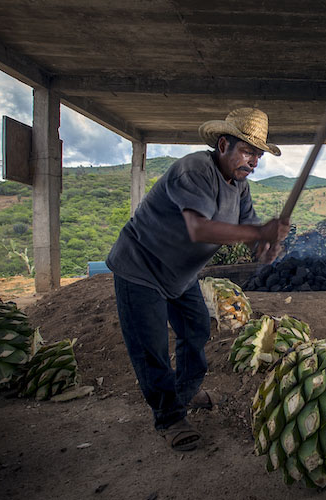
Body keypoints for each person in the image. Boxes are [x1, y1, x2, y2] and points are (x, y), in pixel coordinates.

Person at [106, 107, 289, 451]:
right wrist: (258, 230)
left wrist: (265, 248)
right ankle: (169, 417)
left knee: (196, 329)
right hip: (141, 267)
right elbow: (198, 229)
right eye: (248, 151)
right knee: (152, 347)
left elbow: (250, 235)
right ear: (223, 145)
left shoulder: (240, 187)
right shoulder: (194, 170)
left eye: (258, 155)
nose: (253, 162)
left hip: (181, 274)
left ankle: (185, 392)